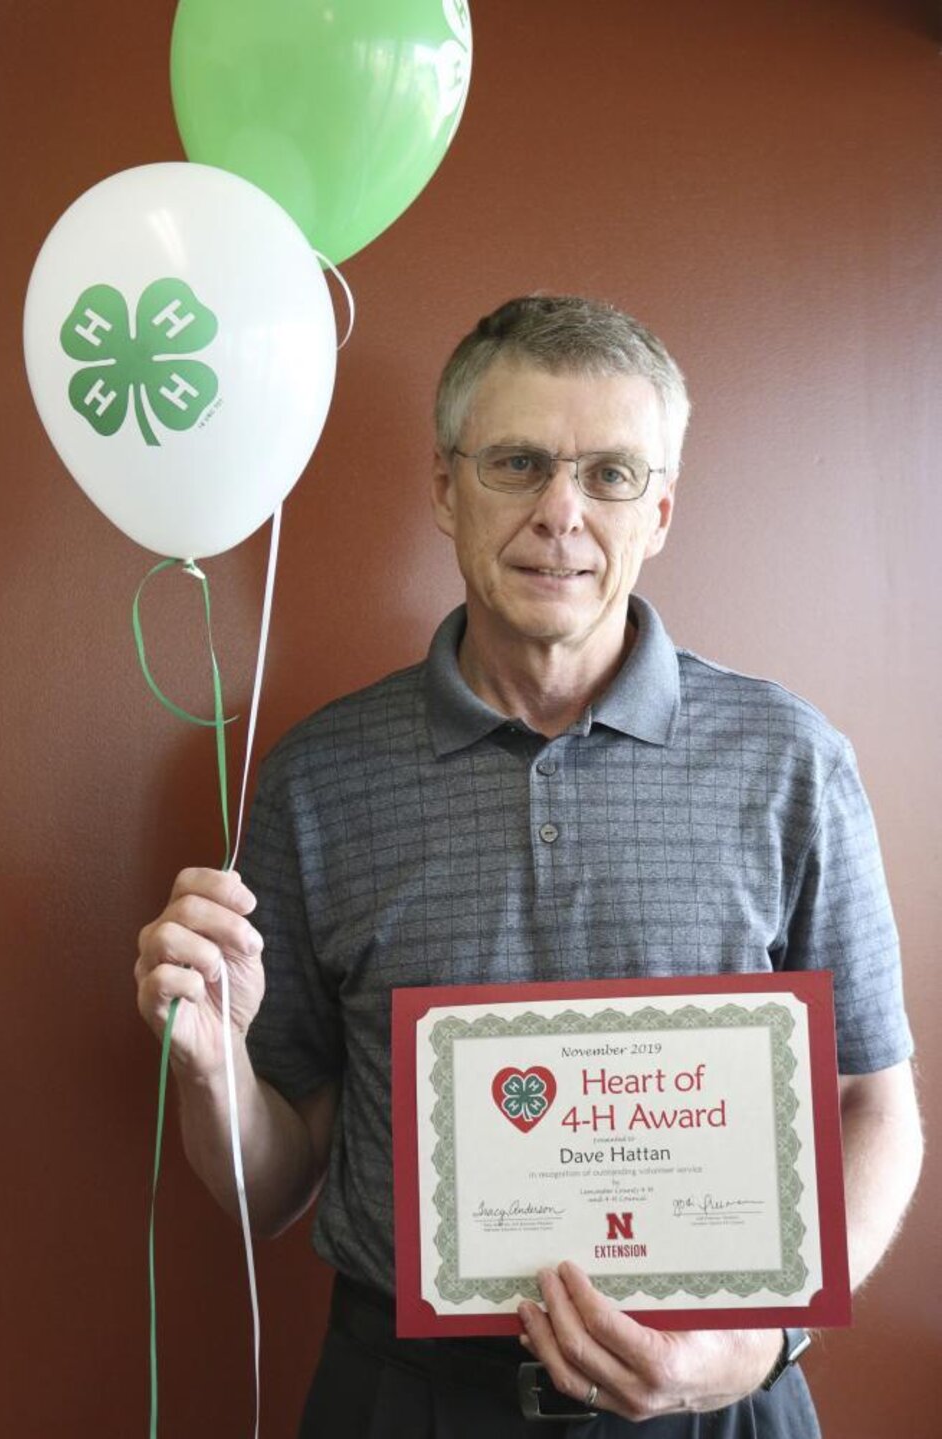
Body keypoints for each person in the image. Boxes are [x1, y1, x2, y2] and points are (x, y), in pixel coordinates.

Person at [135, 296, 923, 1437]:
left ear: (660, 509)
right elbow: (271, 1183)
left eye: (609, 474)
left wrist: (761, 1341)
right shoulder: (318, 776)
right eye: (517, 462)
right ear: (448, 486)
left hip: (718, 1401)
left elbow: (873, 1106)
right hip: (404, 1399)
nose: (562, 513)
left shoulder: (791, 759)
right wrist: (212, 1073)